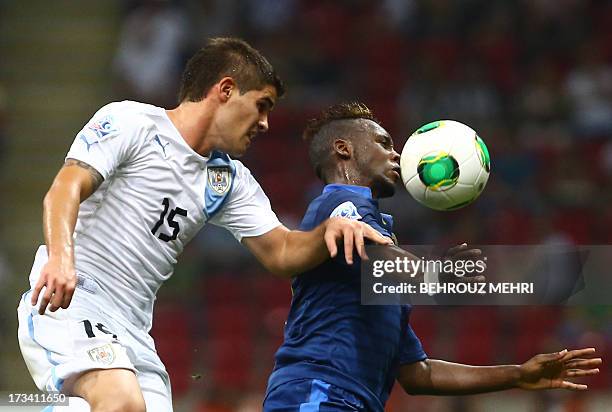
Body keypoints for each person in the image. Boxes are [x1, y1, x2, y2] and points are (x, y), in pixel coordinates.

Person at [16, 39, 390, 412]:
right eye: (262, 105)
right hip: (72, 298)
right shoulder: (133, 122)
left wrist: (329, 231)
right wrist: (61, 259)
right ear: (225, 90)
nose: (265, 123)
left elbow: (281, 251)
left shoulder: (227, 179)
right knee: (121, 403)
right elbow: (66, 187)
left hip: (133, 329)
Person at [263, 102, 602, 411]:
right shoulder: (337, 203)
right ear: (343, 149)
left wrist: (517, 374)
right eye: (384, 144)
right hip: (317, 393)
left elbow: (417, 374)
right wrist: (436, 273)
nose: (396, 155)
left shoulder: (381, 264)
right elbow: (377, 252)